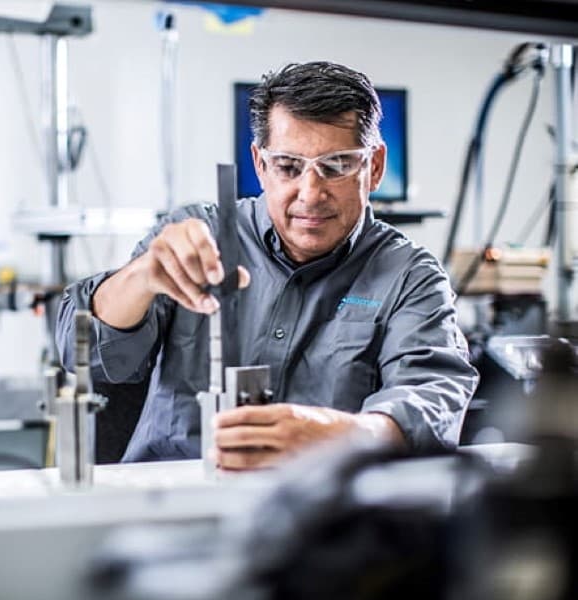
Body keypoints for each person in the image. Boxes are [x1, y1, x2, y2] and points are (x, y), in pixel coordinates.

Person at [56, 61, 478, 470]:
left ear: (375, 166)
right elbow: (84, 359)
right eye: (288, 167)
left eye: (336, 166)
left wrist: (336, 434)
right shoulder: (195, 234)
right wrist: (141, 277)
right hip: (170, 502)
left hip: (316, 515)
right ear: (260, 164)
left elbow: (432, 397)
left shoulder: (409, 276)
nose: (310, 194)